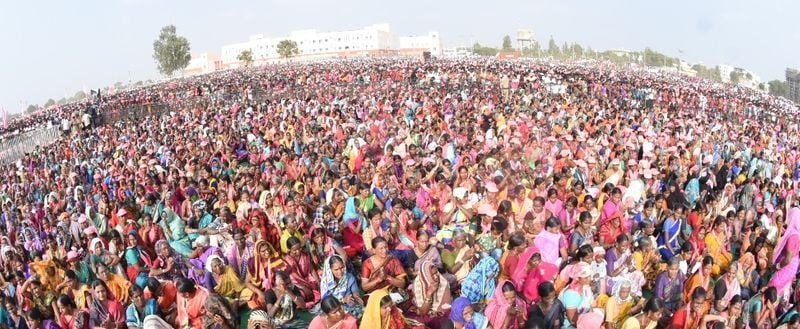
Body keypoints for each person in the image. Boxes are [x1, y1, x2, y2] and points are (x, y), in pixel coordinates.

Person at [283, 236, 321, 308]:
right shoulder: (287, 260)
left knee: (321, 278)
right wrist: (303, 287)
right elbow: (291, 279)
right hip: (296, 284)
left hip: (308, 278)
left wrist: (318, 281)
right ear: (289, 249)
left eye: (299, 248)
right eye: (295, 250)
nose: (298, 251)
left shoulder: (305, 255)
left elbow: (311, 269)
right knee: (302, 294)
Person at [359, 289, 424, 329]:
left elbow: (402, 326)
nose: (389, 309)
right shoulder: (369, 323)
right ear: (376, 308)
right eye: (385, 307)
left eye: (390, 305)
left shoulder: (393, 311)